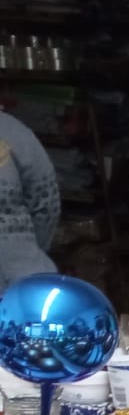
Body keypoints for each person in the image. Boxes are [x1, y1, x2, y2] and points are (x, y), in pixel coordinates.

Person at [0, 110, 60, 291]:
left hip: (23, 281)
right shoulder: (11, 129)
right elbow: (46, 205)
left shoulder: (10, 130)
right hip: (25, 279)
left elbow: (46, 204)